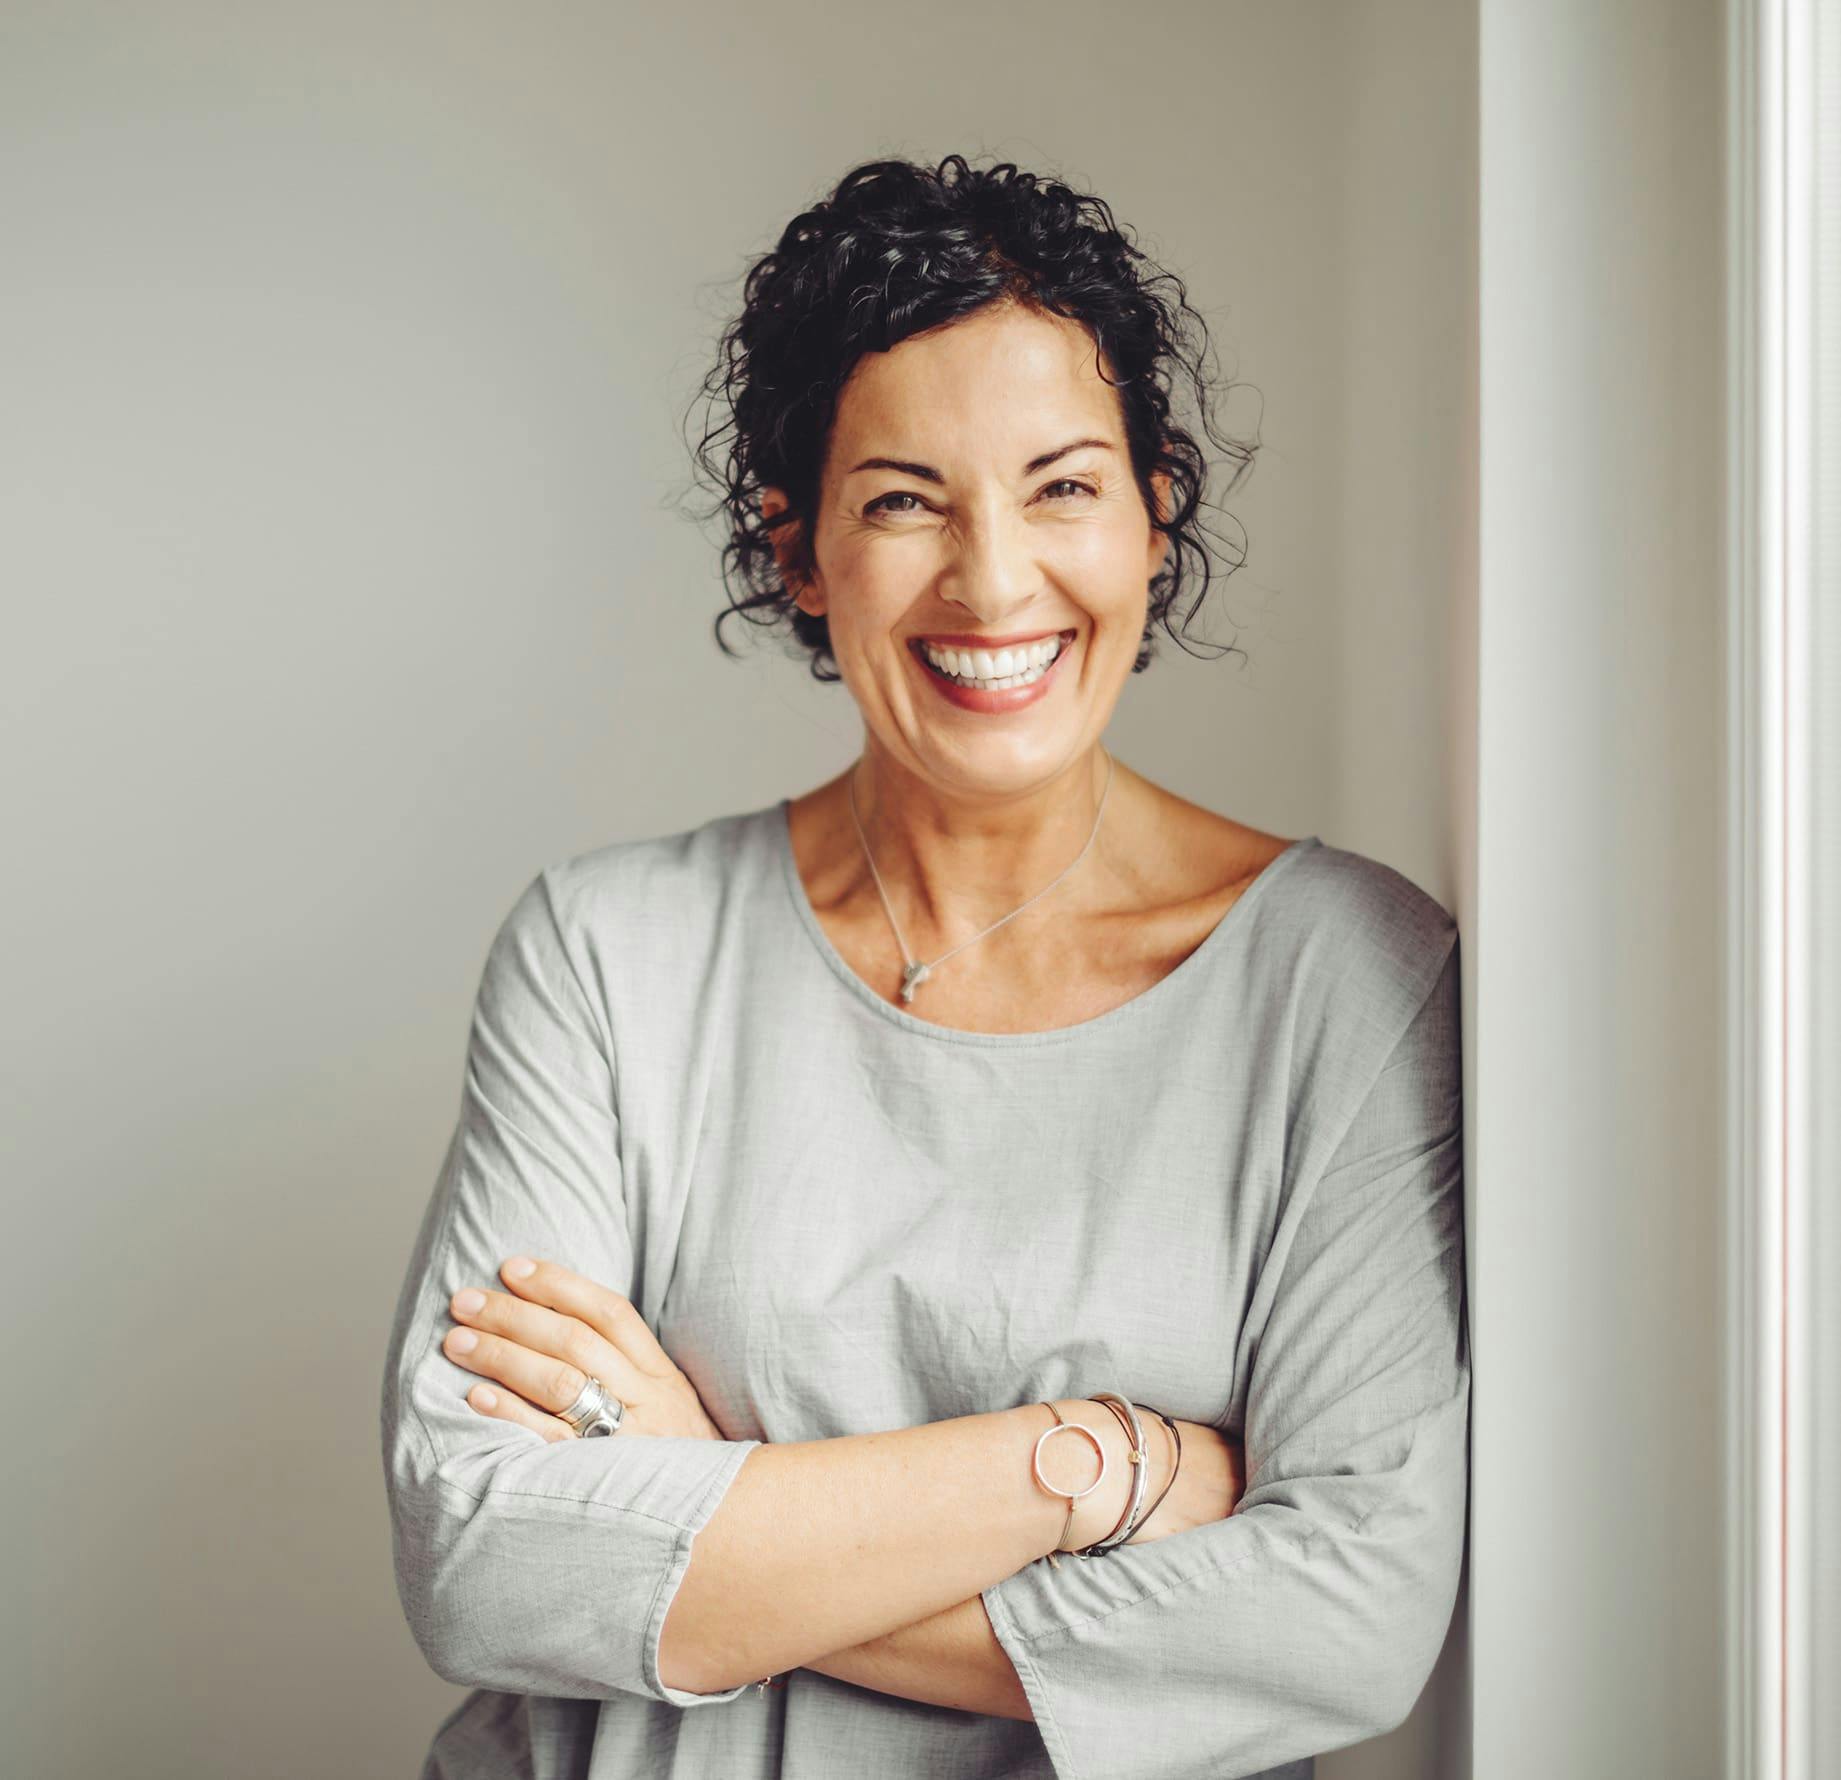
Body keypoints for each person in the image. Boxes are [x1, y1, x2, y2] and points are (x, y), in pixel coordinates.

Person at [380, 153, 1469, 1780]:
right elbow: (484, 1556)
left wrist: (706, 1488)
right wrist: (1089, 1467)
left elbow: (1339, 1623)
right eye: (903, 499)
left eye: (1062, 486)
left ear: (1153, 513)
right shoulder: (608, 954)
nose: (994, 581)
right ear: (798, 549)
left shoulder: (1347, 979)